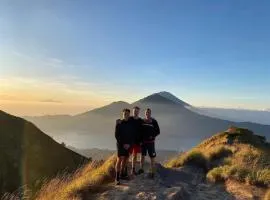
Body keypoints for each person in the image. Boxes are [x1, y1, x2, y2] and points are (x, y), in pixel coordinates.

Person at [114, 108, 135, 185]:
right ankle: (117, 178)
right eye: (125, 114)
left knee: (126, 159)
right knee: (119, 160)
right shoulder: (119, 123)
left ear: (129, 115)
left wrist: (129, 144)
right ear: (122, 114)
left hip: (128, 144)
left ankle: (123, 174)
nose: (126, 115)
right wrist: (123, 144)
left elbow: (132, 135)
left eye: (127, 114)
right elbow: (116, 135)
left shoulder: (131, 123)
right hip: (120, 144)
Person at [138, 108, 160, 178]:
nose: (147, 114)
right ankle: (141, 169)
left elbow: (158, 131)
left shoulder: (154, 121)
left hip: (151, 143)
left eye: (149, 113)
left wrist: (152, 136)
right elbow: (140, 131)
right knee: (142, 156)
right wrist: (140, 140)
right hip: (143, 142)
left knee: (152, 157)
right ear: (145, 113)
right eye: (146, 113)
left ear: (150, 113)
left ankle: (152, 172)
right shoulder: (142, 121)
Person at [129, 106, 143, 175]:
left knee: (135, 156)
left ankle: (133, 170)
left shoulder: (140, 120)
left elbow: (142, 131)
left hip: (137, 141)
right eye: (134, 111)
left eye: (137, 111)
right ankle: (124, 170)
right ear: (133, 111)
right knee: (127, 156)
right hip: (130, 141)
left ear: (138, 112)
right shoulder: (130, 119)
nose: (135, 112)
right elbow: (124, 121)